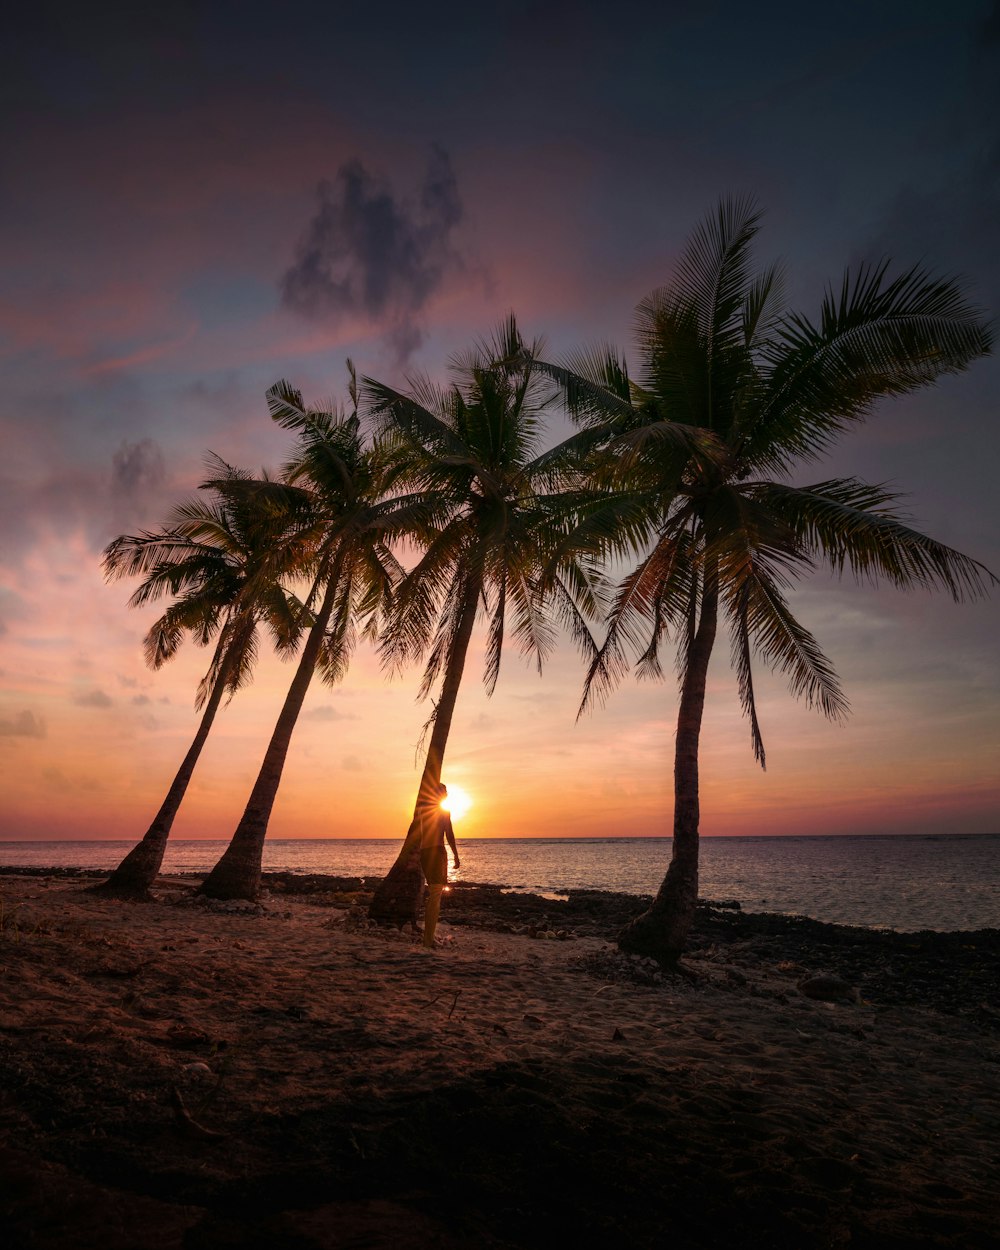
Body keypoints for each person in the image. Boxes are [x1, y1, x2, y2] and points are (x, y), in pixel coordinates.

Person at [419, 782, 460, 948]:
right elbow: (449, 834)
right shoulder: (443, 812)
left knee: (433, 894)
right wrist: (456, 855)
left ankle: (428, 936)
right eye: (444, 792)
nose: (447, 794)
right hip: (436, 852)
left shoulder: (423, 811)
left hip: (424, 853)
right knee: (436, 895)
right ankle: (427, 940)